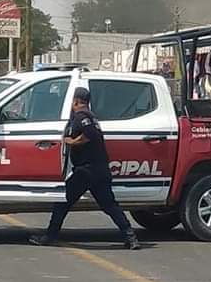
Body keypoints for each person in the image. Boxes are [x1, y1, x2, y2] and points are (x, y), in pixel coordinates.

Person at [33, 85, 140, 249]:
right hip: (99, 169)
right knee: (110, 205)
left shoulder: (81, 116)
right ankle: (130, 237)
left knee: (62, 202)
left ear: (76, 101)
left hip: (86, 170)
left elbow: (90, 134)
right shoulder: (91, 116)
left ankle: (50, 236)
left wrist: (72, 141)